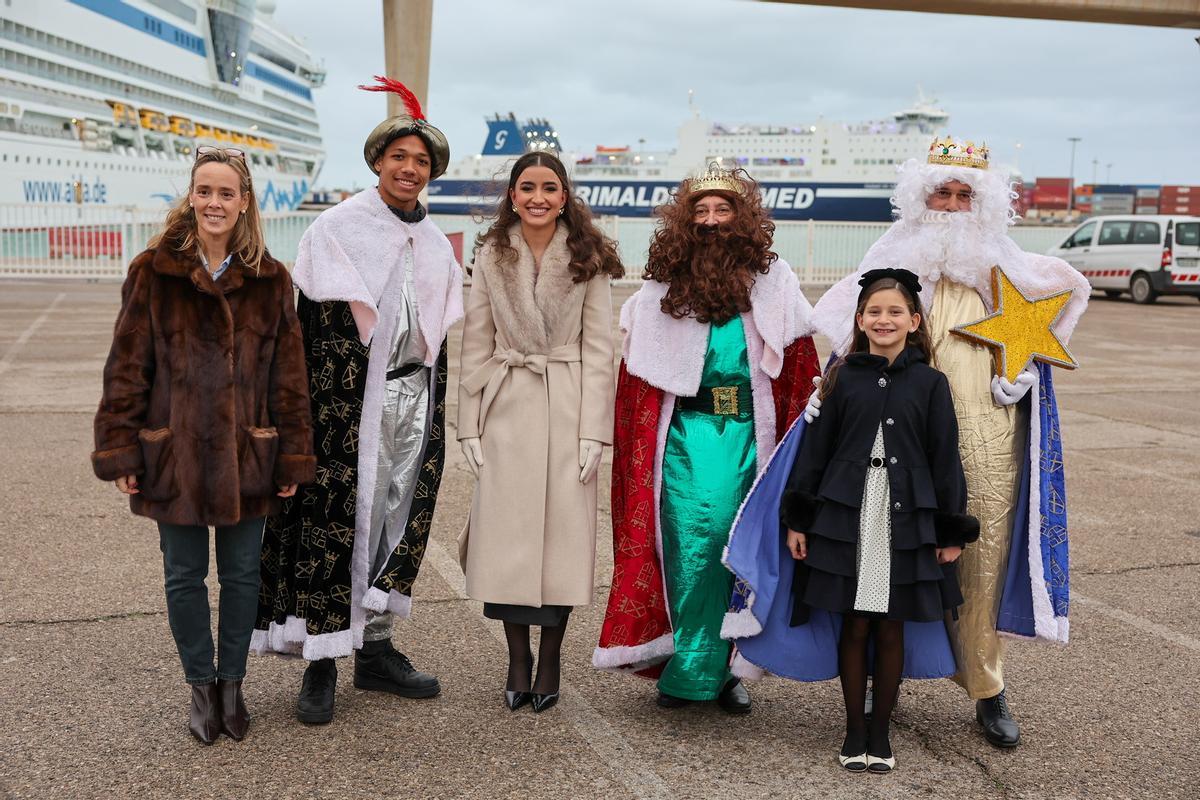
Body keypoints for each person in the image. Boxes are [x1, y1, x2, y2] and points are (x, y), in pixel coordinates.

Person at [807, 137, 1090, 747]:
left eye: (965, 194)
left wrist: (1021, 377)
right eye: (943, 191)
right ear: (920, 195)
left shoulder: (1004, 262)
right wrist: (825, 386)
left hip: (988, 428)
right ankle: (887, 678)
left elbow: (1058, 305)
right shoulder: (891, 257)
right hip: (898, 434)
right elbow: (843, 326)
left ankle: (987, 687)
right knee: (882, 552)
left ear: (982, 203)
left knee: (977, 557)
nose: (953, 204)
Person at [253, 77, 464, 725]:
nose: (409, 168)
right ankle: (322, 660)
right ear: (377, 162)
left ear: (431, 173)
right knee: (335, 522)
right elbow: (304, 335)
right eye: (399, 157)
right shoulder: (336, 229)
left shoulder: (435, 242)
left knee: (395, 520)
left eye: (421, 161)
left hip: (411, 402)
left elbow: (438, 337)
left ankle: (375, 651)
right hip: (345, 407)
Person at [92, 146, 315, 744]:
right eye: (205, 191)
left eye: (226, 193)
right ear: (191, 197)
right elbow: (126, 368)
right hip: (175, 455)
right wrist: (122, 449)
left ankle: (232, 685)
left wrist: (292, 451)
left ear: (244, 204)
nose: (214, 203)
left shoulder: (271, 279)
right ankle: (199, 684)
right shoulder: (153, 272)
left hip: (249, 454)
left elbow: (288, 379)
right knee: (183, 576)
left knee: (244, 577)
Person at [593, 165, 820, 713]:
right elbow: (636, 383)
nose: (712, 221)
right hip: (686, 440)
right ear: (685, 221)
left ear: (743, 220)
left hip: (753, 439)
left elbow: (797, 366)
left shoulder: (774, 280)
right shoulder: (661, 288)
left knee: (743, 552)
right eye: (701, 211)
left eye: (723, 211)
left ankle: (732, 669)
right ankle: (690, 664)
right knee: (690, 547)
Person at [780, 268, 979, 772]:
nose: (883, 319)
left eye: (895, 312)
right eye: (874, 311)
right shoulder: (842, 377)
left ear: (914, 321)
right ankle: (853, 731)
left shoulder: (931, 384)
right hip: (848, 516)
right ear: (860, 320)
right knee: (855, 625)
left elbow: (944, 457)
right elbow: (815, 453)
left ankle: (881, 733)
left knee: (891, 628)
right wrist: (799, 518)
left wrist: (950, 530)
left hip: (905, 519)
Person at [457, 151, 622, 713]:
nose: (537, 198)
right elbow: (475, 339)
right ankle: (516, 656)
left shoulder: (587, 257)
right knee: (506, 540)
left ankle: (550, 654)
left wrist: (594, 431)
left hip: (567, 403)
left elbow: (602, 350)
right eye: (527, 187)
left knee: (562, 543)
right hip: (507, 403)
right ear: (512, 194)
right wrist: (469, 423)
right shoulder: (490, 254)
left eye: (549, 188)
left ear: (564, 195)